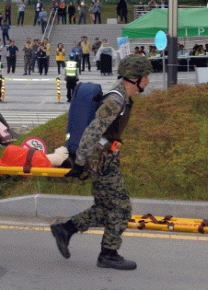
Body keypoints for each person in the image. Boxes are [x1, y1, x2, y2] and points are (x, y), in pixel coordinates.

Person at [50, 55, 152, 271]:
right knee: (122, 209)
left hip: (105, 157)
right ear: (135, 78)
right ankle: (108, 254)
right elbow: (93, 130)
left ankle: (66, 229)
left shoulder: (123, 97)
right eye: (145, 76)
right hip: (101, 160)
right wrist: (80, 161)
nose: (148, 80)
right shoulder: (116, 100)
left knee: (106, 208)